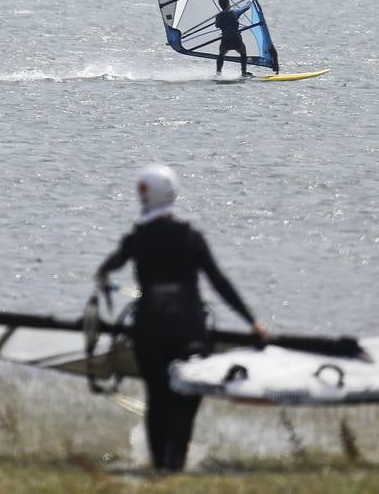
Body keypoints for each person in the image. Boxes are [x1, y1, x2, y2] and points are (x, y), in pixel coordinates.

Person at [95, 164, 267, 473]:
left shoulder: (137, 239)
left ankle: (161, 466)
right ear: (173, 194)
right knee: (187, 398)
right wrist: (251, 321)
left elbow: (109, 266)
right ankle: (177, 463)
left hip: (148, 333)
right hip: (189, 332)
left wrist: (103, 277)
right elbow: (219, 282)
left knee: (158, 398)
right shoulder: (190, 238)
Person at [214, 0, 252, 77]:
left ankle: (218, 73)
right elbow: (246, 7)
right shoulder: (234, 13)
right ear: (228, 4)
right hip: (236, 40)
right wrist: (251, 0)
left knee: (221, 54)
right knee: (243, 52)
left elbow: (217, 25)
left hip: (225, 41)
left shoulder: (218, 17)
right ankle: (244, 72)